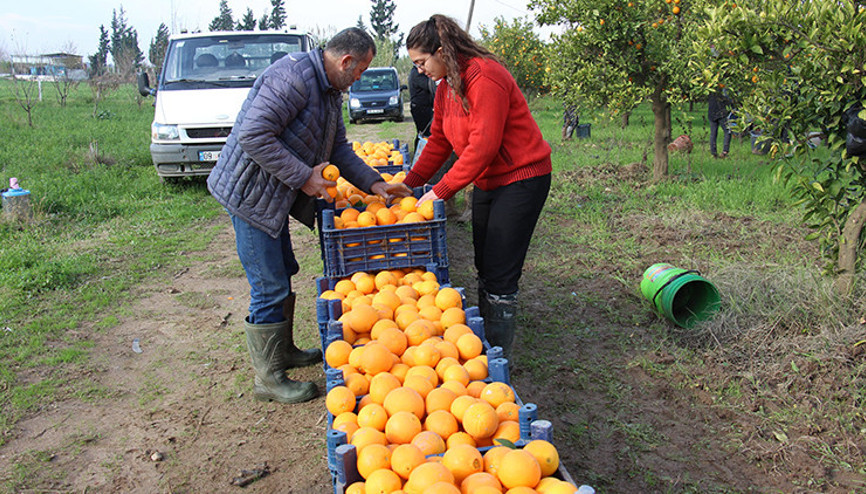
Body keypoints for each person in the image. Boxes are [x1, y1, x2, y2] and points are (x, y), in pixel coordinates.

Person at [207, 28, 411, 404]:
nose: (360, 79)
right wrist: (303, 177)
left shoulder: (329, 92)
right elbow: (253, 135)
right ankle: (267, 379)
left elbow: (338, 150)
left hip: (272, 196)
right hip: (251, 195)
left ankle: (282, 352)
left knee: (282, 272)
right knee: (269, 284)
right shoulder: (293, 78)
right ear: (346, 61)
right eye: (361, 70)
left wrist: (374, 183)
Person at [404, 15, 552, 364]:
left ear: (441, 51)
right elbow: (438, 142)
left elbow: (483, 147)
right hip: (488, 178)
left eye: (422, 62)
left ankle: (499, 359)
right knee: (484, 261)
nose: (420, 70)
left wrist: (440, 190)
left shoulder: (485, 77)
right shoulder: (445, 87)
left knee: (500, 268)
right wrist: (408, 184)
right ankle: (487, 342)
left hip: (521, 178)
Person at [409, 65, 437, 149]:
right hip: (420, 108)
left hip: (425, 106)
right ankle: (419, 152)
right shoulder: (416, 74)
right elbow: (429, 85)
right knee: (424, 133)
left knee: (424, 132)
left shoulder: (417, 72)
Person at [708, 89, 732, 158]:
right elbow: (728, 100)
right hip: (721, 113)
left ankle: (713, 153)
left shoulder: (710, 89)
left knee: (713, 133)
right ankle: (725, 151)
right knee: (728, 131)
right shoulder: (722, 90)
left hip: (711, 113)